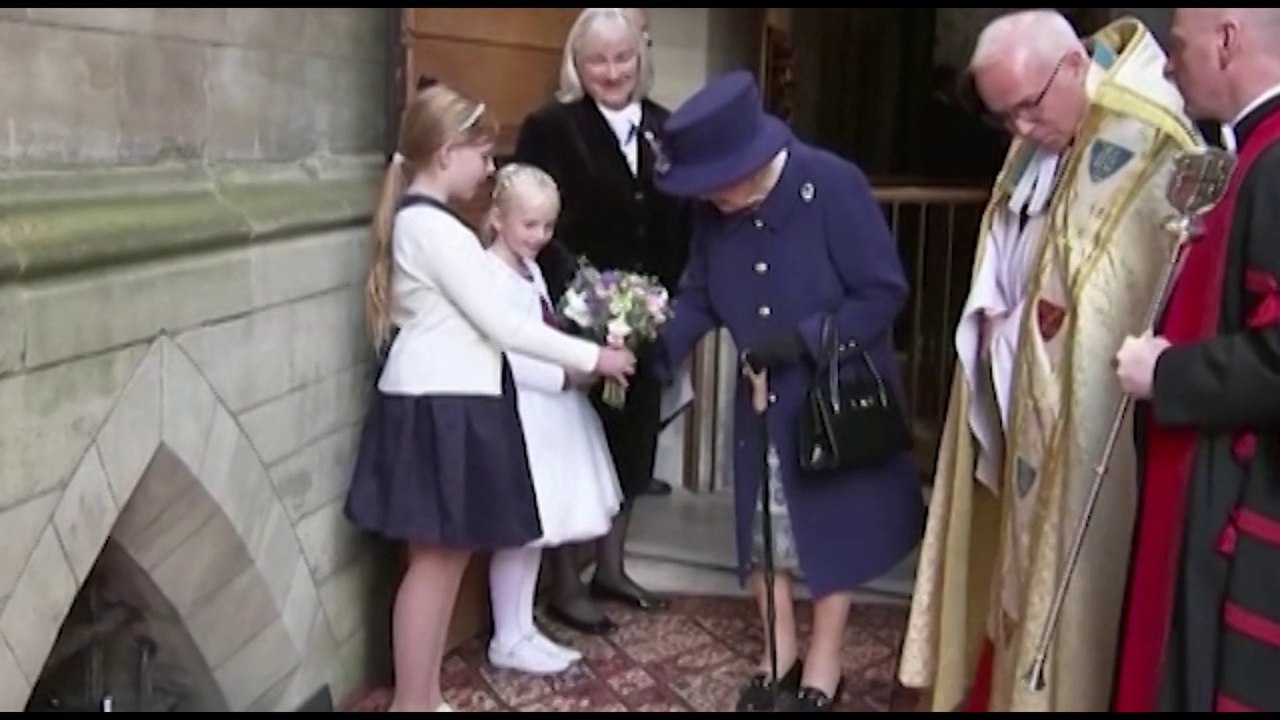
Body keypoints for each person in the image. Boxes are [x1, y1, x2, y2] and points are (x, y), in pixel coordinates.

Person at [895, 10, 1204, 713]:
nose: (1020, 132)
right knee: (1010, 576)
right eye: (1003, 118)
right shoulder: (1037, 136)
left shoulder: (1153, 139)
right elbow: (1010, 244)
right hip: (1018, 399)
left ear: (1070, 68)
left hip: (1090, 424)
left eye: (1026, 110)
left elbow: (1131, 288)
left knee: (1074, 589)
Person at [342, 82, 636, 712]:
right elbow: (504, 324)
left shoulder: (428, 224)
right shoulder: (434, 229)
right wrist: (595, 357)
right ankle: (413, 703)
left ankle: (422, 696)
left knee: (443, 558)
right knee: (436, 563)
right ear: (446, 153)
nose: (489, 167)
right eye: (482, 154)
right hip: (440, 400)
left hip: (447, 395)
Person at [650, 69, 925, 712]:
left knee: (831, 530)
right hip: (759, 396)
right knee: (761, 531)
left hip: (830, 393)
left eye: (716, 184)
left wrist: (802, 341)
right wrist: (648, 349)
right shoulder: (711, 206)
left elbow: (883, 293)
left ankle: (824, 665)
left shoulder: (832, 184)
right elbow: (697, 291)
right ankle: (777, 653)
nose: (709, 198)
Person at [1111, 8, 1280, 712]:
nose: (1170, 65)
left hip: (1246, 491)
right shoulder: (1251, 151)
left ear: (1228, 39)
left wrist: (1168, 373)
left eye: (1178, 47)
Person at [511, 7, 690, 633]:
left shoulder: (669, 128)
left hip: (651, 318)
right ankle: (565, 582)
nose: (611, 71)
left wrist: (664, 302)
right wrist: (589, 296)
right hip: (578, 316)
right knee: (578, 446)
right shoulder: (549, 128)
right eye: (597, 59)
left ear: (640, 59)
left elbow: (683, 221)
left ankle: (612, 567)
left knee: (635, 440)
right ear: (576, 64)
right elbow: (535, 220)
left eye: (623, 58)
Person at [481, 162, 626, 675]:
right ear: (498, 218)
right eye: (530, 226)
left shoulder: (531, 267)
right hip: (523, 411)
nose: (541, 236)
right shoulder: (490, 275)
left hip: (551, 416)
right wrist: (566, 377)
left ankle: (522, 627)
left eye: (547, 227)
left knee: (536, 531)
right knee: (518, 530)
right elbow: (509, 352)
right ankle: (507, 632)